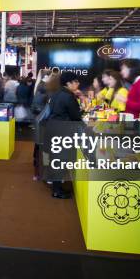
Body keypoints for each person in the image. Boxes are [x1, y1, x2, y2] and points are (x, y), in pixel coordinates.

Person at [48, 71, 83, 199]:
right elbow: (76, 116)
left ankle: (57, 187)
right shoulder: (68, 96)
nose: (78, 83)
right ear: (68, 83)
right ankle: (57, 190)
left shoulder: (58, 93)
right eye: (76, 81)